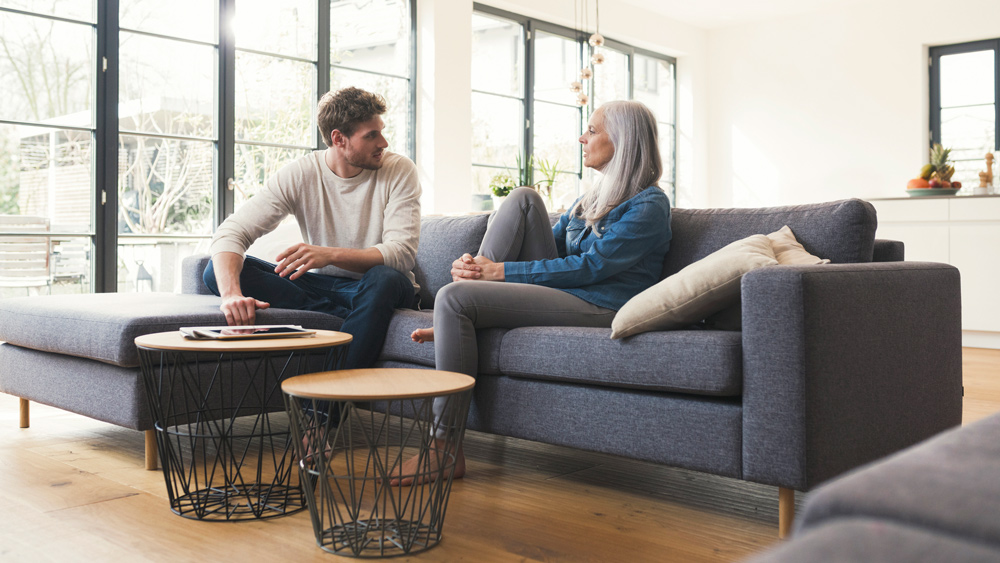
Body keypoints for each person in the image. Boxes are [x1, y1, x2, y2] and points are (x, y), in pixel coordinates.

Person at [394, 100, 672, 485]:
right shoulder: (589, 199)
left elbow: (591, 267)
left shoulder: (650, 204)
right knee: (524, 197)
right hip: (572, 294)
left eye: (592, 131)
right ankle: (457, 310)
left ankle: (444, 448)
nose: (582, 138)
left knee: (454, 299)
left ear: (623, 141)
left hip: (601, 303)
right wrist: (477, 266)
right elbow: (549, 247)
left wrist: (499, 271)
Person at [204, 87, 421, 372]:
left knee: (384, 278)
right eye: (371, 135)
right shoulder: (301, 173)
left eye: (381, 131)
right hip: (326, 289)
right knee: (214, 271)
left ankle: (323, 405)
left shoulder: (399, 170)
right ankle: (354, 318)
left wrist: (329, 255)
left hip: (382, 287)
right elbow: (232, 232)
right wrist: (231, 295)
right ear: (338, 139)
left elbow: (401, 254)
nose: (383, 142)